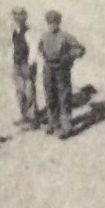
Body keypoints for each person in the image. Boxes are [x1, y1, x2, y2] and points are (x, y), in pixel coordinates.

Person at [36, 10, 86, 139]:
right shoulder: (44, 36)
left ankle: (66, 127)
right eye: (50, 23)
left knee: (64, 98)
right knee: (50, 96)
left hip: (61, 70)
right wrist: (45, 56)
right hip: (48, 69)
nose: (52, 25)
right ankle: (53, 123)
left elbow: (80, 49)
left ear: (59, 22)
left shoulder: (66, 36)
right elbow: (40, 48)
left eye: (54, 22)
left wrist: (68, 57)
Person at [9, 7, 39, 130]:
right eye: (15, 16)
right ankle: (24, 115)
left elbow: (33, 49)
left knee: (29, 91)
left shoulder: (29, 32)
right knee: (20, 91)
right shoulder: (15, 31)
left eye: (20, 16)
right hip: (17, 64)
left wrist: (30, 65)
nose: (17, 19)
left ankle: (33, 119)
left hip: (26, 64)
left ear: (24, 18)